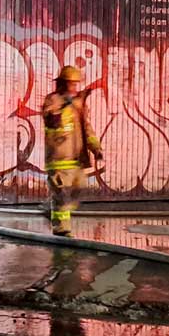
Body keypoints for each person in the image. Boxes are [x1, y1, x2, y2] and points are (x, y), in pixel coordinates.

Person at [41, 65, 102, 236]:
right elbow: (51, 121)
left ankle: (51, 209)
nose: (74, 87)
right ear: (62, 83)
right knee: (62, 194)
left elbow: (86, 128)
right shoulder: (52, 100)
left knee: (79, 189)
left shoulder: (78, 103)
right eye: (71, 84)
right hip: (58, 158)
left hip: (76, 159)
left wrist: (96, 148)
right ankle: (61, 229)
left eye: (76, 84)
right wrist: (65, 105)